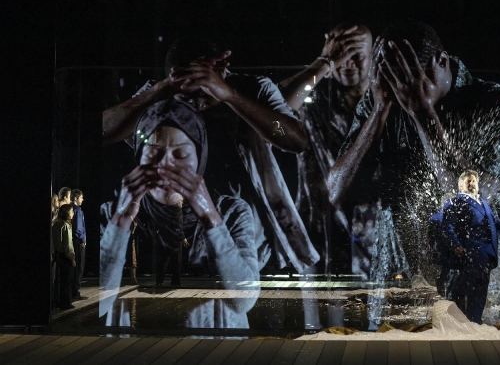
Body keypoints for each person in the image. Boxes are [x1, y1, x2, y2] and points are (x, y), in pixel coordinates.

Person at [329, 20, 500, 325]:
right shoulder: (381, 100)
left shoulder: (496, 103)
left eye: (413, 80)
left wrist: (421, 112)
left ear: (442, 62)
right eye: (394, 81)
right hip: (400, 296)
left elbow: (472, 195)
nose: (404, 91)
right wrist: (379, 111)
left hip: (474, 299)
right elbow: (335, 190)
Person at [102, 37, 318, 275]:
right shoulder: (161, 93)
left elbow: (294, 139)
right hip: (180, 242)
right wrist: (164, 87)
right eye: (189, 94)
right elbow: (104, 131)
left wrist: (229, 95)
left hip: (252, 242)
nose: (198, 103)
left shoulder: (255, 89)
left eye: (205, 91)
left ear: (223, 70)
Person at [100, 99, 259, 328]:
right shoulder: (110, 214)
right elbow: (101, 303)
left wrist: (210, 218)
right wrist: (120, 223)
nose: (165, 166)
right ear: (138, 157)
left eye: (181, 154)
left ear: (200, 159)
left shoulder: (232, 212)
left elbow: (244, 302)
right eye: (154, 153)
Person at [279, 23, 372, 276]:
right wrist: (324, 63)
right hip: (319, 232)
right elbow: (279, 107)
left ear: (373, 57)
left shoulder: (384, 104)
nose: (348, 63)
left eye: (357, 55)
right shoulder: (316, 101)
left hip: (372, 238)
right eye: (341, 54)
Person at [442, 170, 500, 323]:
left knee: (480, 290)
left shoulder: (484, 203)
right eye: (468, 181)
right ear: (461, 185)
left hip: (486, 255)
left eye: (474, 181)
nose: (472, 183)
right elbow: (448, 226)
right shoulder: (455, 202)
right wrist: (456, 245)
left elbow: (495, 223)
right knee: (467, 289)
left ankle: (474, 321)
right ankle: (462, 321)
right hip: (470, 253)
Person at [52, 204, 76, 310]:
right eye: (71, 211)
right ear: (67, 213)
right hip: (65, 256)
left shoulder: (57, 224)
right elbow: (67, 245)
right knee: (67, 280)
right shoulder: (65, 225)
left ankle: (59, 302)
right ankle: (66, 303)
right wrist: (72, 258)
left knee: (60, 280)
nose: (73, 213)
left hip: (58, 254)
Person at [71, 189, 88, 300]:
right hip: (78, 242)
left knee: (78, 267)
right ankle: (75, 292)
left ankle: (74, 291)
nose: (82, 199)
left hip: (77, 241)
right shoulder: (77, 210)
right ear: (76, 198)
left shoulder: (76, 210)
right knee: (79, 267)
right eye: (81, 197)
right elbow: (78, 228)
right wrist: (82, 240)